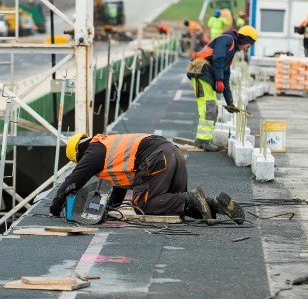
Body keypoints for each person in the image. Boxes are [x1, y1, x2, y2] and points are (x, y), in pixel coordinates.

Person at [49, 133, 241, 222]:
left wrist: (55, 209)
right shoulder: (109, 148)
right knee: (173, 207)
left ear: (78, 153)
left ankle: (190, 197)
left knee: (144, 205)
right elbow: (120, 185)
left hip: (157, 158)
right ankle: (215, 204)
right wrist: (112, 209)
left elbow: (73, 182)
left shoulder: (93, 151)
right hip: (173, 153)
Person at [185, 26, 259, 151]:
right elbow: (217, 59)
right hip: (201, 71)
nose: (247, 49)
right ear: (246, 39)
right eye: (249, 45)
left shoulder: (231, 51)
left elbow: (226, 77)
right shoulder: (227, 40)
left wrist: (230, 102)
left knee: (211, 107)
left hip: (204, 73)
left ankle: (202, 139)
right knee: (210, 106)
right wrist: (218, 79)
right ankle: (204, 140)